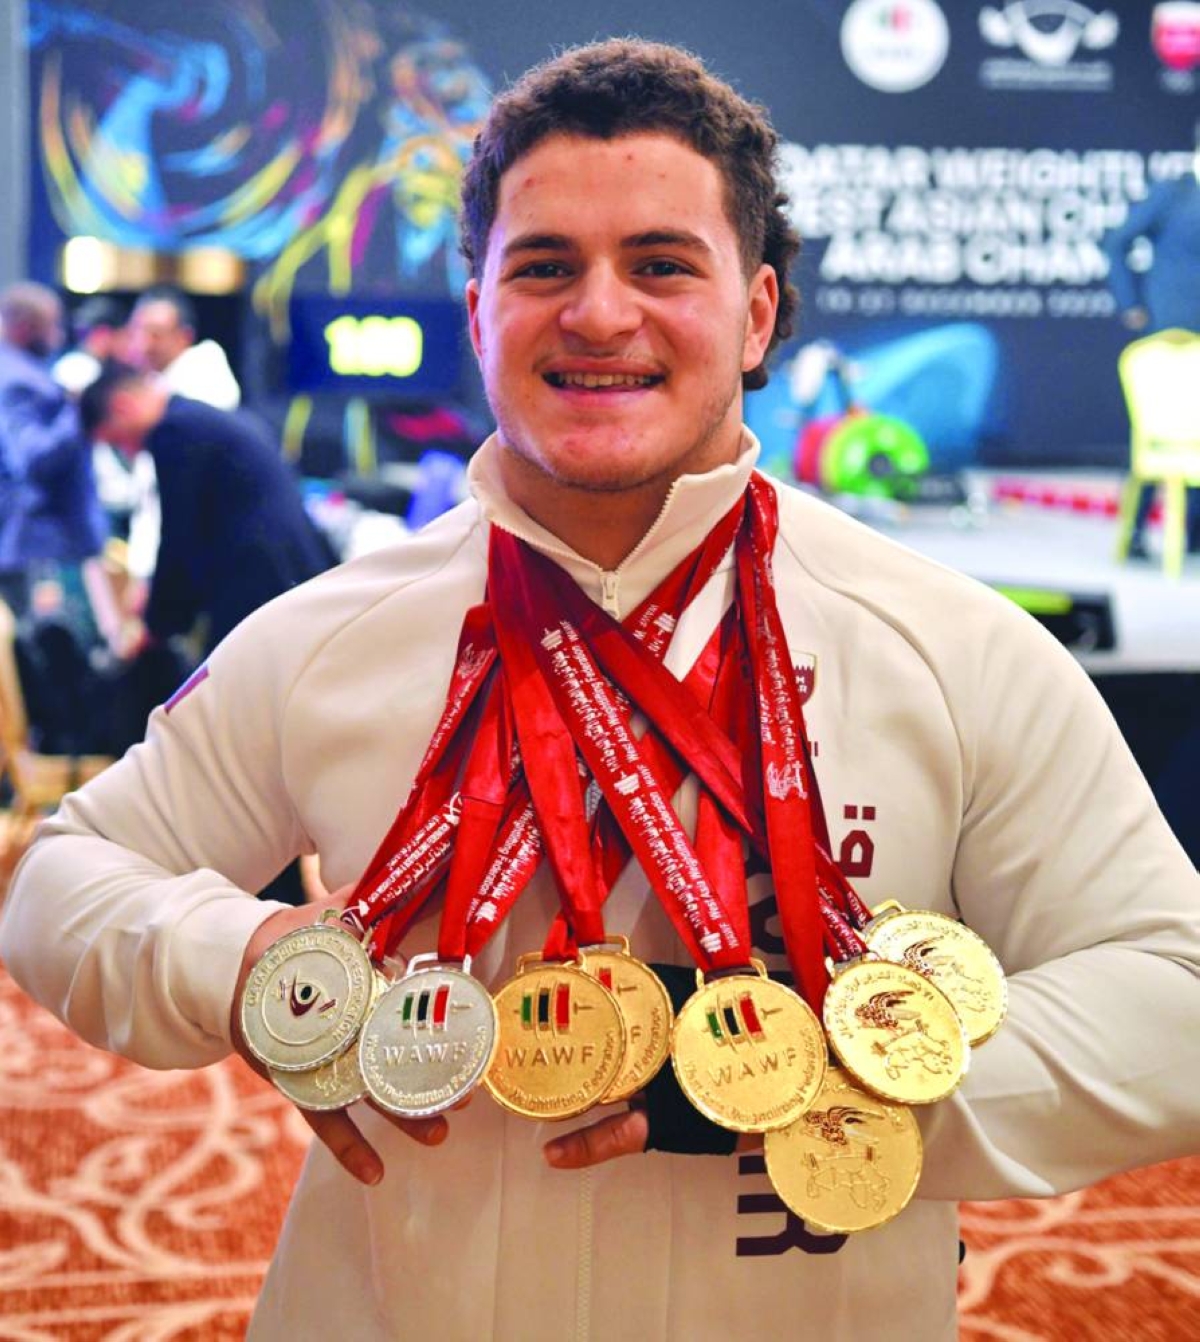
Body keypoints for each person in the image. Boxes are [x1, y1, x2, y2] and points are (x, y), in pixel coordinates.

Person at [2, 39, 1199, 1342]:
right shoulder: (333, 635)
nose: (600, 311)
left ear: (755, 313)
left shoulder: (947, 648)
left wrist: (813, 1070)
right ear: (477, 314)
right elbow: (66, 876)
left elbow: (1174, 989)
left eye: (663, 263)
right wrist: (240, 960)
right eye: (544, 266)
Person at [78, 366, 331, 658]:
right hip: (287, 571)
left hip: (259, 580)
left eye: (116, 442)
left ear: (123, 406)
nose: (127, 453)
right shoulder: (196, 418)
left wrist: (154, 625)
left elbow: (179, 538)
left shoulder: (174, 431)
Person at [1102, 124, 1200, 558]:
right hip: (1170, 334)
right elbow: (1117, 240)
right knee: (1156, 431)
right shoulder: (1174, 191)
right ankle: (1137, 532)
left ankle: (1193, 535)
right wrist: (1131, 303)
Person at [0, 282, 107, 618]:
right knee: (48, 655)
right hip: (40, 545)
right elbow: (31, 457)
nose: (59, 335)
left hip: (45, 544)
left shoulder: (26, 372)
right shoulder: (16, 379)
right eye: (52, 324)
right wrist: (77, 409)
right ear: (24, 326)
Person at [128, 285, 242, 410]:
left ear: (184, 337)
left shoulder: (204, 367)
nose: (145, 344)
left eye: (156, 335)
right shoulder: (147, 377)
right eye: (138, 332)